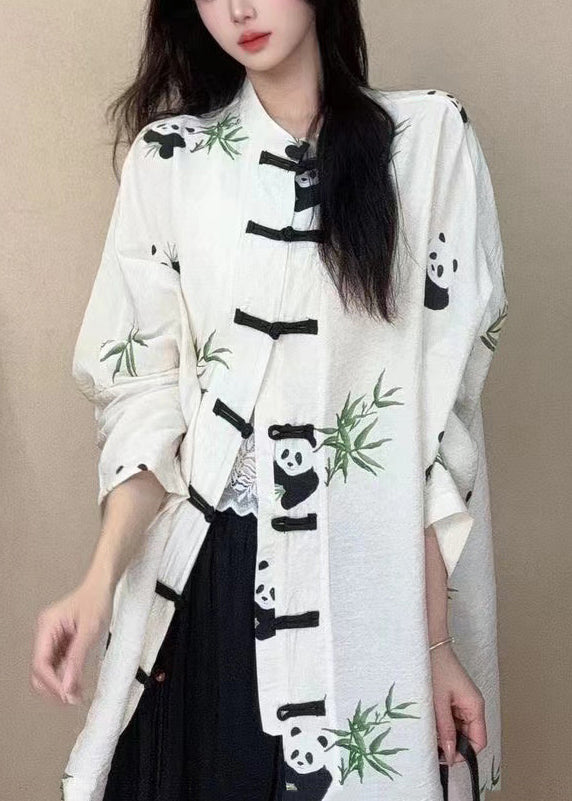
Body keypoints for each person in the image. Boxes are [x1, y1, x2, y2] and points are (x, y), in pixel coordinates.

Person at [30, 1, 509, 800]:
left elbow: (431, 432)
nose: (239, 9)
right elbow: (143, 403)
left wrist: (430, 644)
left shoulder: (427, 142)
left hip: (367, 591)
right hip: (205, 594)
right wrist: (96, 582)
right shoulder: (170, 160)